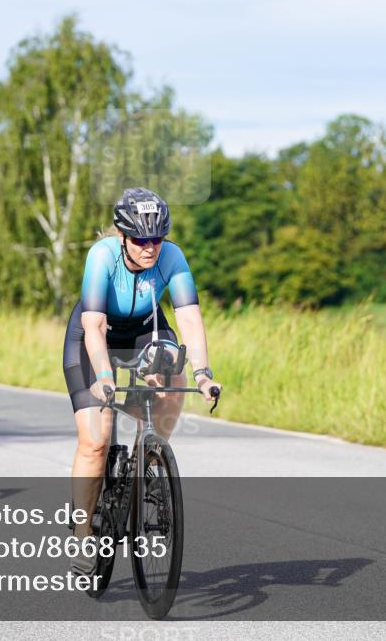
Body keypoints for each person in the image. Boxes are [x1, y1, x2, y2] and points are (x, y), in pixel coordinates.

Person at [63, 187, 222, 574]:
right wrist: (103, 377)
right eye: (140, 240)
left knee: (173, 373)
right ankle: (82, 531)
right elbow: (95, 324)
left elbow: (188, 318)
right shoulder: (101, 256)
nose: (150, 247)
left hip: (145, 331)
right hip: (94, 335)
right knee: (96, 440)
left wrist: (203, 374)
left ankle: (149, 453)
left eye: (157, 238)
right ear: (123, 236)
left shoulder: (172, 256)